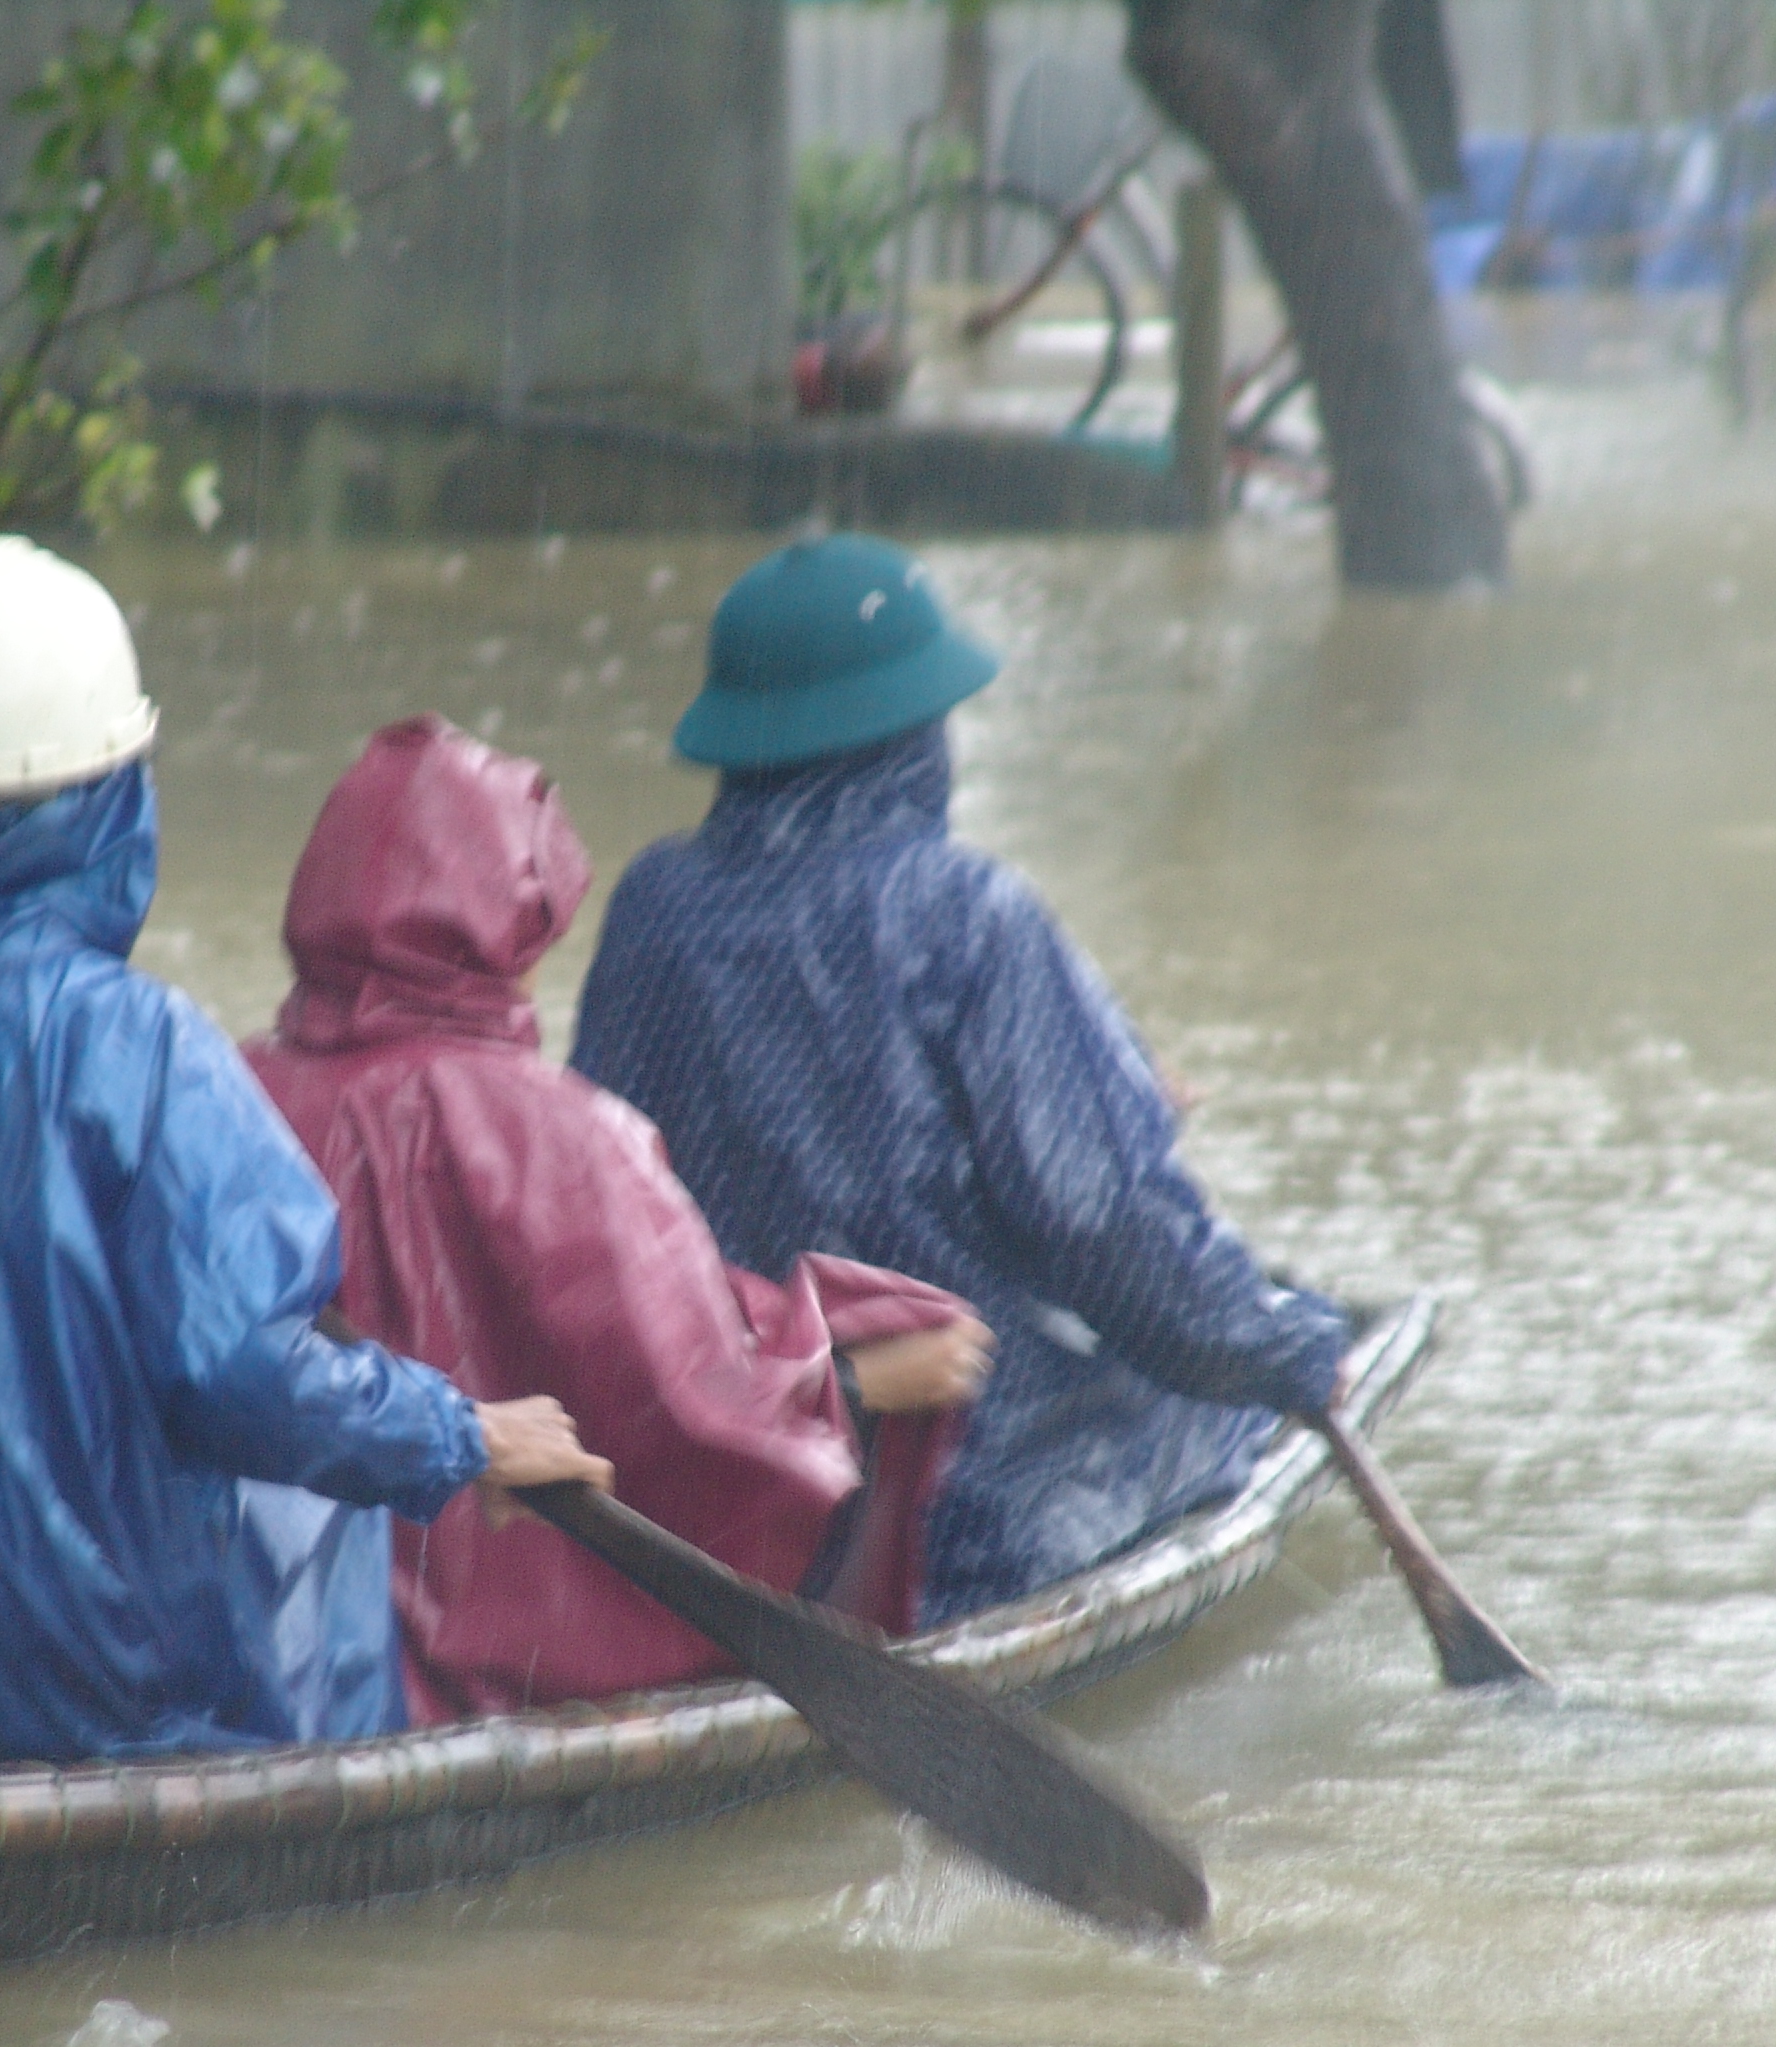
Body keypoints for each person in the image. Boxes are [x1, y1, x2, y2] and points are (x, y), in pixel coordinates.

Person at [0, 539, 609, 1761]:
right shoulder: (139, 1046)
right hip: (69, 1686)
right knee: (312, 1510)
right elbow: (250, 1375)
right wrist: (459, 1437)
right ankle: (327, 1774)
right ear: (112, 801)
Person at [570, 534, 1350, 1624]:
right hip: (970, 1490)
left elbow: (611, 1196)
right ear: (911, 732)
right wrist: (1294, 1352)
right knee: (1204, 1395)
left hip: (727, 1461)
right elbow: (1107, 1227)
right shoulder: (962, 911)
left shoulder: (652, 906)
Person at [244, 715, 997, 1722]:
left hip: (286, 1649)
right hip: (508, 1666)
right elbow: (698, 1409)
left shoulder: (224, 1094)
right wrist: (857, 1378)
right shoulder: (566, 1132)